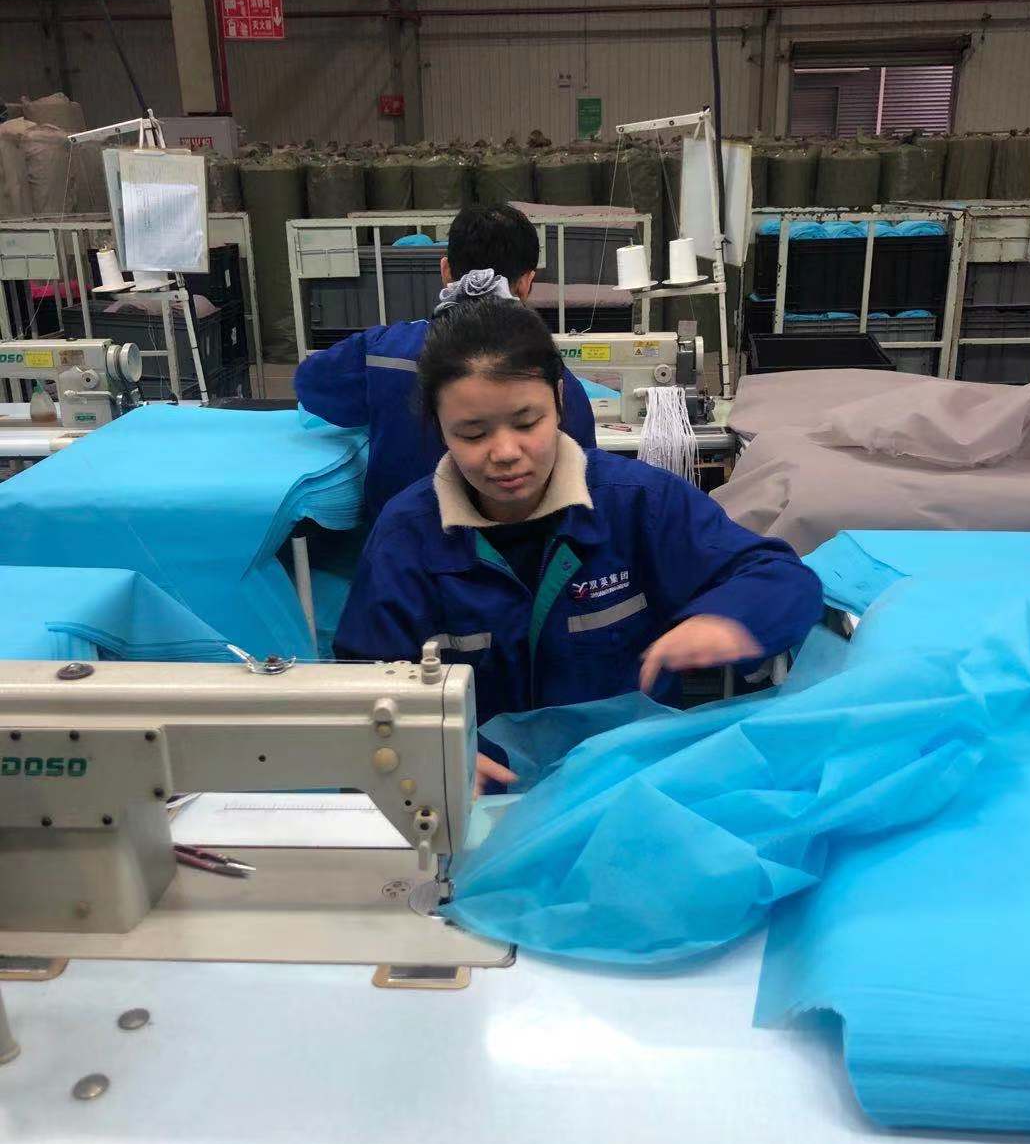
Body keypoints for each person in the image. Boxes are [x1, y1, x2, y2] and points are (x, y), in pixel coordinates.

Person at [336, 297, 822, 790]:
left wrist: (727, 618)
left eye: (527, 423)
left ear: (560, 401)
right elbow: (363, 689)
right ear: (438, 428)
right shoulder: (407, 539)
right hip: (478, 800)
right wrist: (423, 750)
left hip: (626, 791)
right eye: (472, 434)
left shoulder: (639, 505)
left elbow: (780, 578)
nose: (505, 453)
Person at [294, 203, 596, 523]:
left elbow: (311, 385)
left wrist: (383, 407)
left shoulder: (384, 354)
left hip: (404, 537)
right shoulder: (550, 383)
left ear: (446, 271)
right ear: (526, 283)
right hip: (512, 545)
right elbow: (581, 478)